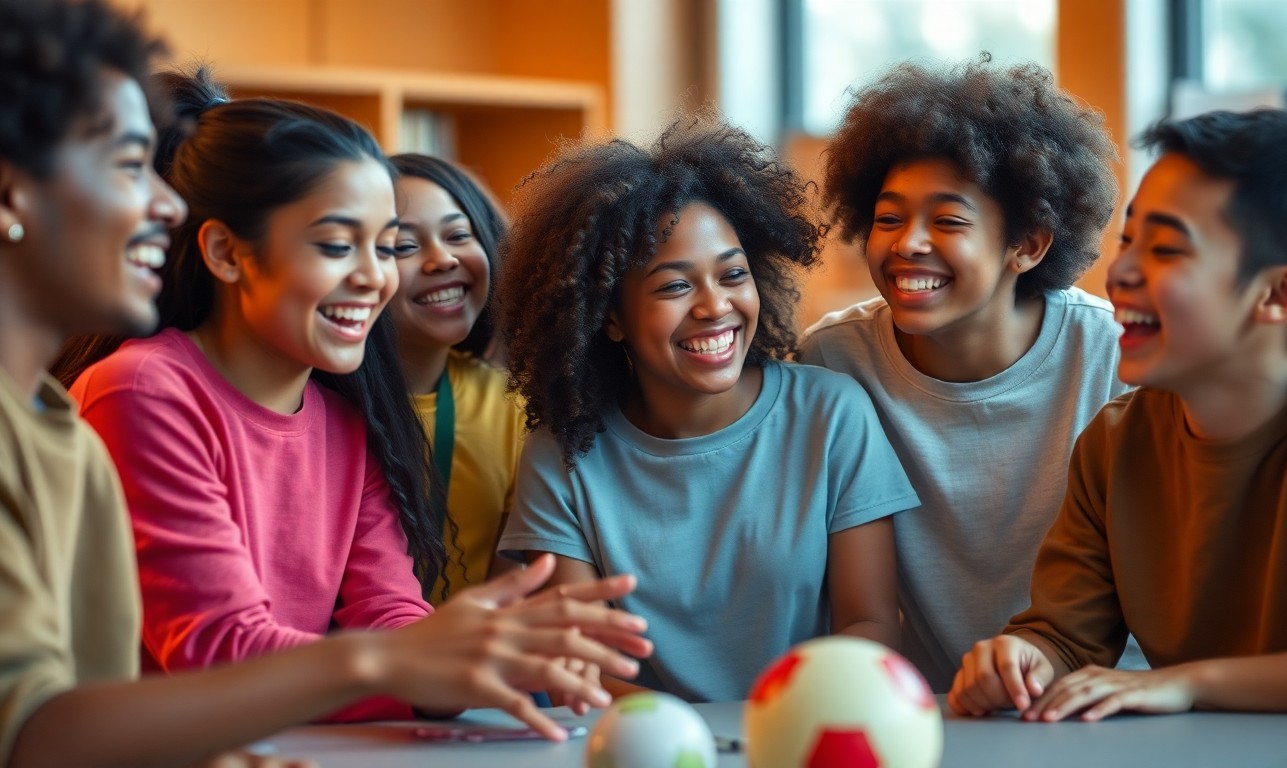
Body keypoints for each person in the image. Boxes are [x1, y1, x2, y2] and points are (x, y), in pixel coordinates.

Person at [0, 2, 649, 763]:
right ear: (226, 254)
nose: (376, 276)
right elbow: (201, 653)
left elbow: (390, 613)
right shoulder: (138, 391)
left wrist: (471, 657)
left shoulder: (343, 418)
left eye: (384, 246)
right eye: (339, 244)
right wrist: (394, 663)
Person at [494, 116, 920, 704]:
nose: (715, 306)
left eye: (733, 275)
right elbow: (577, 662)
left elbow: (870, 628)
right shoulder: (563, 454)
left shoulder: (831, 413)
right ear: (610, 317)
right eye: (674, 287)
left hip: (806, 733)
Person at [948, 108, 1287, 721]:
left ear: (1278, 294)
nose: (1121, 271)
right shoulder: (1115, 441)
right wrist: (1023, 658)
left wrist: (1189, 683)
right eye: (1129, 241)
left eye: (1165, 248)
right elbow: (1067, 636)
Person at [798, 55, 1136, 692]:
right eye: (889, 218)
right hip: (942, 716)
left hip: (1102, 706)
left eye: (949, 221)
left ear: (1029, 244)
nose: (909, 244)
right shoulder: (833, 361)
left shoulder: (1113, 355)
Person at [388, 153, 524, 599]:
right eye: (404, 246)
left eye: (458, 235)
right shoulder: (317, 407)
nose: (441, 259)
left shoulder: (512, 409)